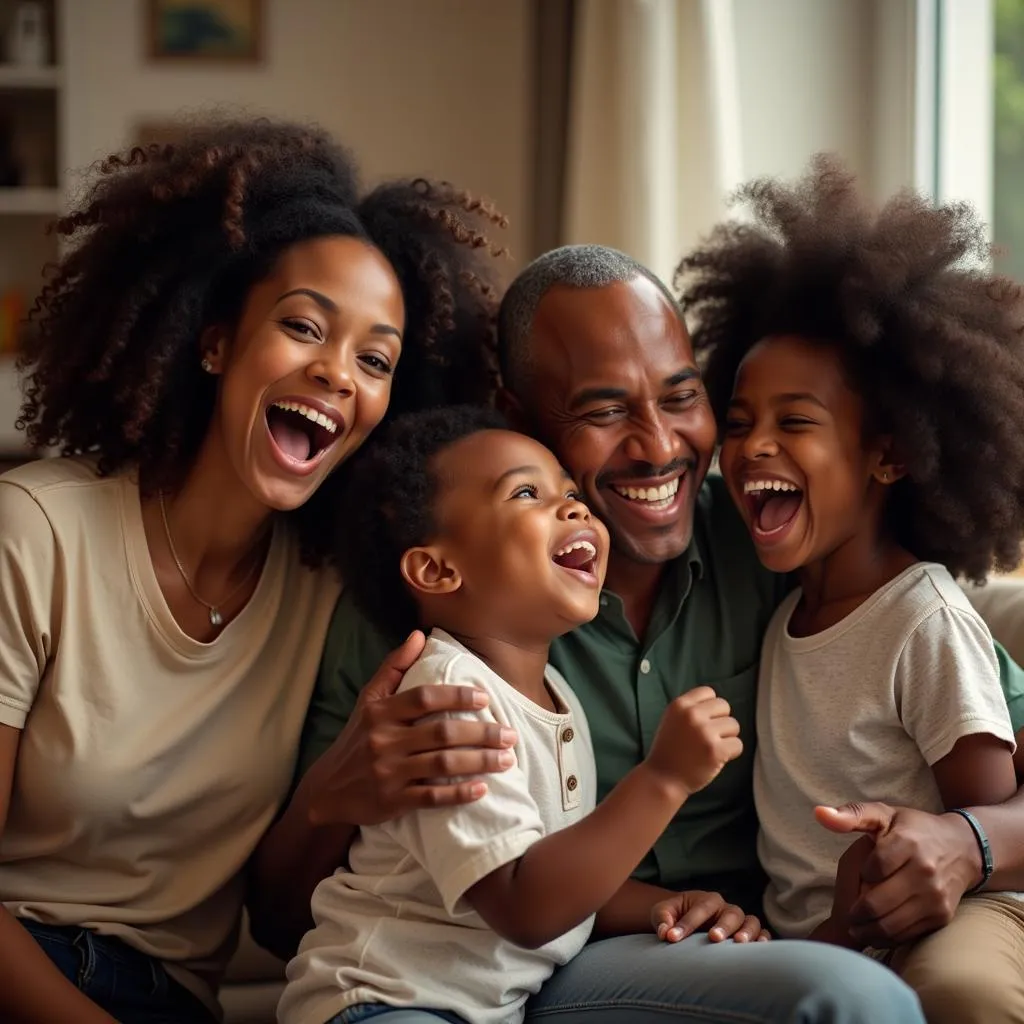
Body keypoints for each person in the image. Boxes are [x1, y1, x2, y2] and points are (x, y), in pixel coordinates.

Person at [258, 245, 934, 1023]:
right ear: (521, 420)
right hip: (470, 978)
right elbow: (286, 922)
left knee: (853, 1000)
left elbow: (967, 702)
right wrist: (334, 794)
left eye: (681, 398)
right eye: (605, 412)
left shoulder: (775, 535)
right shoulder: (425, 635)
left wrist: (970, 839)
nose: (657, 446)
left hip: (679, 950)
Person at [0, 118, 509, 1024]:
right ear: (214, 343)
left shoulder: (331, 596)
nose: (338, 374)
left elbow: (280, 927)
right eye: (304, 327)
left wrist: (339, 792)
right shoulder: (37, 533)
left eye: (375, 359)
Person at [279, 405, 766, 1024]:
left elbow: (557, 875)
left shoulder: (556, 697)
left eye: (568, 490)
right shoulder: (448, 697)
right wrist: (663, 779)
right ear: (437, 569)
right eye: (527, 493)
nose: (574, 507)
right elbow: (524, 905)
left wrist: (667, 903)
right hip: (384, 1000)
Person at [689, 154, 1024, 1022]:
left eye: (795, 422)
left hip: (945, 914)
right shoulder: (785, 612)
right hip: (815, 940)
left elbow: (985, 822)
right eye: (739, 422)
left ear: (891, 454)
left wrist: (889, 900)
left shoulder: (923, 619)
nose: (755, 445)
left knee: (961, 992)